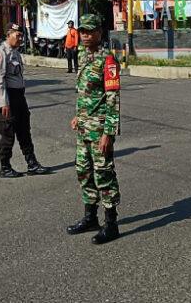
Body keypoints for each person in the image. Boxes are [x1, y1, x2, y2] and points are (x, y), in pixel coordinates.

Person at [66, 14, 122, 245]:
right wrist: (78, 116)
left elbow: (112, 98)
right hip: (84, 126)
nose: (86, 35)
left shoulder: (107, 60)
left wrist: (109, 132)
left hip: (100, 129)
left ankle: (111, 224)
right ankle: (90, 217)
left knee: (103, 174)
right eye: (83, 31)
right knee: (83, 171)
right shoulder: (81, 54)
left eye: (91, 31)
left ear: (100, 32)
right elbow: (85, 93)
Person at [0, 24, 49, 178]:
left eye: (21, 36)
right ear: (8, 35)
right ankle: (5, 167)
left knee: (24, 130)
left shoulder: (16, 53)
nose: (20, 39)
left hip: (19, 96)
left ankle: (32, 164)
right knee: (8, 133)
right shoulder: (1, 53)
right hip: (8, 97)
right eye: (17, 35)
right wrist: (3, 102)